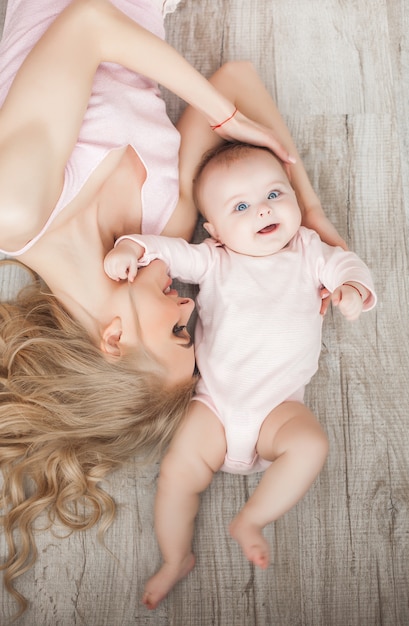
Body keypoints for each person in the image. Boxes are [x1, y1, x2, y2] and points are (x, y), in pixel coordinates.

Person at [0, 0, 344, 615]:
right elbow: (236, 79)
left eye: (179, 335)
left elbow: (89, 23)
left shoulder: (18, 214)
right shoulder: (164, 228)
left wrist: (224, 113)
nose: (190, 310)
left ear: (113, 340)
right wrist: (310, 219)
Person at [104, 142, 377, 609]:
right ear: (215, 230)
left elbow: (345, 263)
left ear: (293, 197)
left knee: (311, 445)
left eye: (275, 194)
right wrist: (135, 246)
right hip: (213, 406)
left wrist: (351, 287)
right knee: (176, 475)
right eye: (241, 207)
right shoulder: (214, 259)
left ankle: (252, 519)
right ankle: (174, 558)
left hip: (279, 409)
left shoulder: (308, 251)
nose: (264, 210)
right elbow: (170, 253)